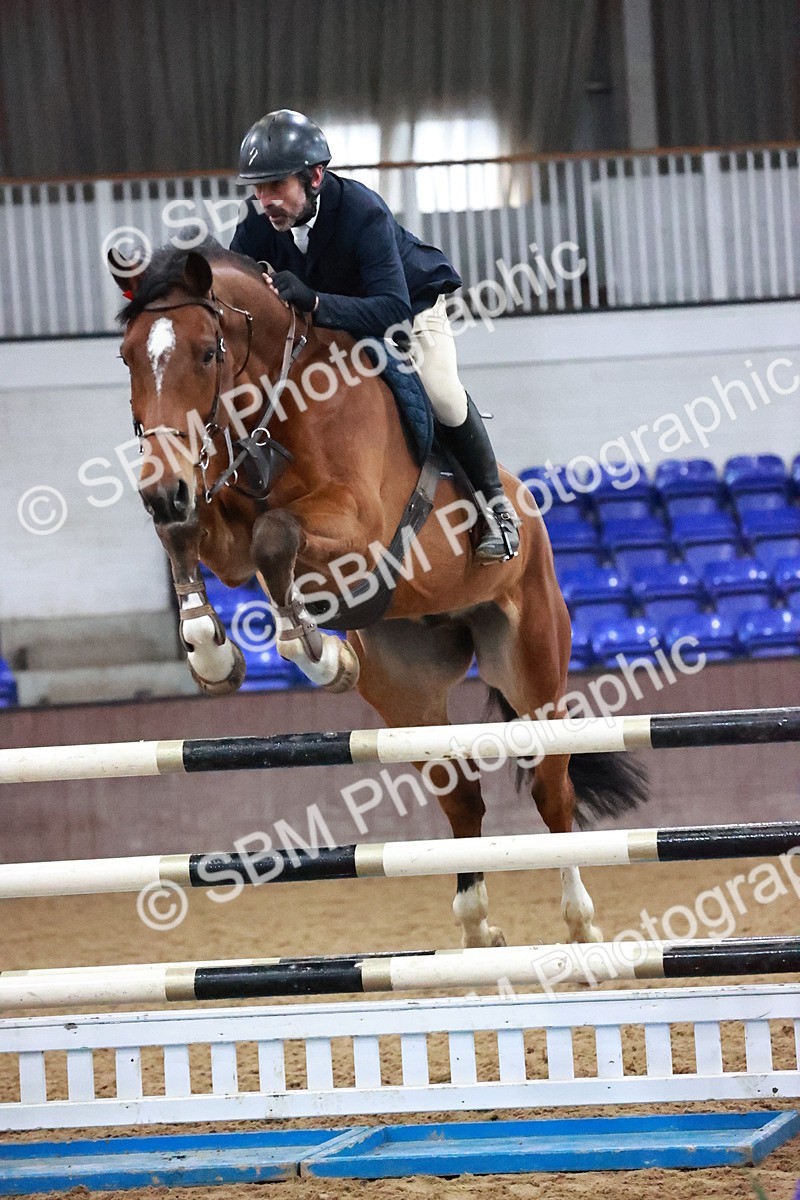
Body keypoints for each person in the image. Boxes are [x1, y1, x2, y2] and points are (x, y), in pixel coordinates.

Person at [231, 109, 519, 562]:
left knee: (442, 393)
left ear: (314, 177)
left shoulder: (362, 212)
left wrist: (315, 302)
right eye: (258, 188)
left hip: (409, 310)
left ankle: (497, 507)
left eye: (276, 186)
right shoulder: (255, 225)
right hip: (328, 327)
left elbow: (393, 310)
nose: (265, 199)